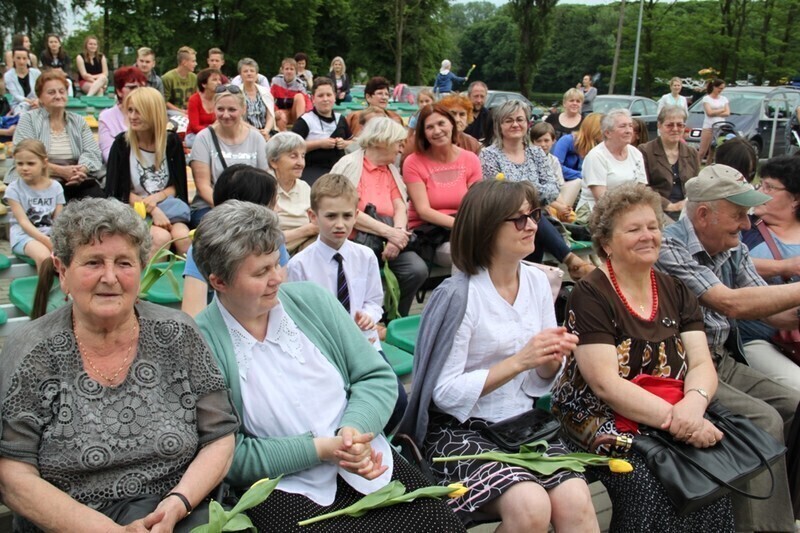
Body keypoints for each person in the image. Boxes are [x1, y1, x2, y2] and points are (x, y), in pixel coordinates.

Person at [192, 200, 464, 532]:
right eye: (260, 272)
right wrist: (320, 450)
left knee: (442, 527)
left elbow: (375, 376)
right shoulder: (201, 342)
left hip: (366, 461)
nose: (277, 278)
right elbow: (228, 454)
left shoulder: (311, 301)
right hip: (282, 485)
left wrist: (353, 432)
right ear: (218, 282)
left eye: (277, 263)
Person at [0, 198, 239, 532]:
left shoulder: (178, 333)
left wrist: (178, 503)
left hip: (176, 514)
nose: (110, 277)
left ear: (141, 269)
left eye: (124, 263)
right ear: (62, 270)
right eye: (93, 262)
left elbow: (220, 436)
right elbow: (13, 474)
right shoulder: (31, 350)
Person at [398, 179, 599, 530]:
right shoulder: (458, 295)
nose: (533, 225)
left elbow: (538, 380)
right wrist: (520, 361)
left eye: (534, 214)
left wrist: (552, 358)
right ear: (487, 228)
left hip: (520, 425)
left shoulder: (538, 281)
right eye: (519, 219)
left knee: (575, 499)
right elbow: (442, 394)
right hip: (458, 430)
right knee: (530, 504)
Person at [552, 183, 735, 531]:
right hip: (596, 415)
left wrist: (694, 406)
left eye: (653, 227)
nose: (647, 236)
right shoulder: (591, 294)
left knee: (710, 476)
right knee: (648, 481)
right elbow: (605, 385)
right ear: (606, 243)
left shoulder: (674, 288)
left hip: (674, 408)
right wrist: (682, 422)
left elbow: (700, 363)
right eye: (633, 229)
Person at [655, 164, 800, 532]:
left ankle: (786, 510)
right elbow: (731, 303)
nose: (747, 225)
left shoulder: (728, 244)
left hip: (720, 358)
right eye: (738, 215)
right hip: (682, 368)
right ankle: (763, 528)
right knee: (763, 420)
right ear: (703, 214)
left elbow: (773, 310)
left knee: (793, 404)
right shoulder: (669, 245)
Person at [287, 174, 409, 431]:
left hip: (364, 342)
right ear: (313, 217)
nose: (339, 224)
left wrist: (368, 315)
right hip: (324, 349)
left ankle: (381, 445)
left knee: (397, 400)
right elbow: (296, 317)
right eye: (330, 216)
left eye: (346, 216)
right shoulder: (300, 264)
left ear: (356, 215)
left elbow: (374, 301)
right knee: (339, 403)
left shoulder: (364, 256)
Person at [481, 100, 594, 278]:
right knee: (531, 218)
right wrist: (532, 192)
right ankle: (570, 261)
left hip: (539, 217)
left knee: (533, 220)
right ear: (499, 125)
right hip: (505, 219)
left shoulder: (536, 153)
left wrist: (522, 188)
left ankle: (532, 284)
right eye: (508, 120)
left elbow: (553, 189)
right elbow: (499, 193)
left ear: (527, 123)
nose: (515, 124)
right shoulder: (489, 155)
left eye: (520, 119)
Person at [331, 117, 428, 317]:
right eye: (397, 143)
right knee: (357, 270)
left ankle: (392, 317)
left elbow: (400, 205)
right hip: (354, 241)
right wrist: (389, 232)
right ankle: (355, 319)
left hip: (388, 239)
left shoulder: (390, 170)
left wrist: (399, 234)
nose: (401, 150)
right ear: (380, 141)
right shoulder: (349, 166)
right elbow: (344, 211)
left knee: (417, 269)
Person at [181, 165, 290, 317]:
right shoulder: (206, 247)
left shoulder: (274, 241)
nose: (279, 209)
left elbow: (282, 299)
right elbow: (192, 314)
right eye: (272, 204)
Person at [106, 87, 191, 258]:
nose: (132, 116)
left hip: (167, 206)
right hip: (132, 209)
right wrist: (152, 209)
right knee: (160, 238)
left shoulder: (172, 142)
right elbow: (115, 191)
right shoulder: (122, 144)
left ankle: (188, 284)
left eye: (139, 111)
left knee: (183, 237)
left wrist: (156, 200)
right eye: (130, 110)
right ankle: (150, 284)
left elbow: (178, 186)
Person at [739, 156, 800, 391]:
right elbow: (727, 262)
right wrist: (784, 267)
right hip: (758, 336)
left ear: (795, 198)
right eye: (761, 184)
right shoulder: (746, 226)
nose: (760, 191)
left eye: (769, 187)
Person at [402, 104, 482, 268]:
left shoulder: (470, 159)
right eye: (429, 127)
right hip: (432, 234)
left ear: (452, 124)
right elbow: (423, 211)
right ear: (423, 133)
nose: (437, 131)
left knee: (497, 249)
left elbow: (477, 203)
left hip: (466, 230)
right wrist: (462, 225)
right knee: (466, 255)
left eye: (441, 123)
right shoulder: (413, 162)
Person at [5, 71, 105, 201]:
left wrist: (82, 170)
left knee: (98, 202)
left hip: (75, 179)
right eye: (51, 92)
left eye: (61, 91)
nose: (58, 96)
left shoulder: (79, 121)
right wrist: (61, 171)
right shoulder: (28, 119)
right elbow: (25, 154)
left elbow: (92, 152)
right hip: (38, 180)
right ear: (40, 97)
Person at [188, 84, 268, 227]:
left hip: (250, 208)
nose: (225, 115)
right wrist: (232, 213)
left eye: (232, 109)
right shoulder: (204, 138)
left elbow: (264, 180)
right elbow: (203, 186)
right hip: (211, 206)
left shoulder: (256, 138)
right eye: (220, 109)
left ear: (243, 110)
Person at [576, 109, 647, 222]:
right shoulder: (596, 156)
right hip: (596, 212)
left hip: (628, 210)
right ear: (608, 133)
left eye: (630, 126)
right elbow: (602, 199)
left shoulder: (636, 153)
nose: (629, 130)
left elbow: (641, 190)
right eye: (623, 126)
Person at [4, 139, 64, 271]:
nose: (24, 168)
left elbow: (59, 220)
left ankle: (65, 290)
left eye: (30, 163)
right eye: (20, 164)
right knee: (45, 258)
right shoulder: (14, 189)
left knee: (71, 256)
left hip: (50, 235)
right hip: (24, 237)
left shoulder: (56, 187)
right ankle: (43, 291)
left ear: (44, 163)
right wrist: (46, 241)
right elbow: (23, 223)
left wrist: (55, 240)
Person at [638, 105, 698, 221]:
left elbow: (696, 185)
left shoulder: (691, 153)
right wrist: (669, 206)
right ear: (659, 126)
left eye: (680, 125)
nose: (675, 129)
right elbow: (643, 187)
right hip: (656, 210)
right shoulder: (645, 151)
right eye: (670, 125)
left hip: (686, 210)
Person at [291, 77, 351, 185]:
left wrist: (345, 143)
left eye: (329, 95)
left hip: (340, 169)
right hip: (312, 169)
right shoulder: (305, 120)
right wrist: (319, 144)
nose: (325, 99)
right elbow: (291, 146)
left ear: (334, 97)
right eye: (320, 96)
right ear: (313, 99)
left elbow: (352, 141)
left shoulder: (341, 119)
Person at [267, 132, 318, 252]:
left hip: (304, 251)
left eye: (303, 156)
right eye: (293, 156)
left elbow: (317, 225)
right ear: (274, 162)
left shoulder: (304, 187)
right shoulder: (264, 188)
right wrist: (307, 230)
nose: (301, 163)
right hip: (273, 256)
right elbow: (262, 238)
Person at [98, 66, 147, 161]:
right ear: (119, 91)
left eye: (142, 88)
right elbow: (109, 156)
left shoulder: (151, 115)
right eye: (132, 88)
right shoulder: (106, 118)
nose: (138, 92)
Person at [531, 122, 576, 222]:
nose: (543, 145)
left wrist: (563, 207)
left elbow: (557, 189)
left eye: (546, 140)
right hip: (537, 203)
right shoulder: (529, 160)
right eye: (539, 141)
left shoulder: (554, 160)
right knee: (551, 216)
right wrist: (558, 207)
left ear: (553, 141)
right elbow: (535, 192)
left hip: (553, 199)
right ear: (533, 142)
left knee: (570, 216)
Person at [552, 112, 603, 186]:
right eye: (602, 129)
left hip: (588, 184)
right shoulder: (567, 140)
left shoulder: (600, 146)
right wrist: (582, 175)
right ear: (594, 130)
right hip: (565, 183)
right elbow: (556, 167)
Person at [237, 58, 275, 141]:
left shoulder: (265, 92)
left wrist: (266, 131)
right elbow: (237, 119)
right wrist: (256, 132)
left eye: (252, 71)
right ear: (240, 75)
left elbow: (271, 115)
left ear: (257, 74)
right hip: (244, 133)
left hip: (266, 133)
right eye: (245, 71)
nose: (249, 73)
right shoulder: (236, 93)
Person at [270, 57, 311, 131]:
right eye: (287, 69)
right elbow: (269, 98)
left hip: (295, 112)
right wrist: (275, 110)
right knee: (280, 116)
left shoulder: (300, 84)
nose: (289, 71)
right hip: (282, 111)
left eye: (291, 69)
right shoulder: (276, 81)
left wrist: (309, 115)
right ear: (282, 70)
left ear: (296, 71)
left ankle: (300, 126)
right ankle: (284, 136)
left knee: (299, 97)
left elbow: (308, 101)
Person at [186, 67, 223, 146]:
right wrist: (213, 129)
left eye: (219, 80)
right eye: (214, 80)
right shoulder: (194, 100)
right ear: (203, 84)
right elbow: (195, 127)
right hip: (194, 135)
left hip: (217, 134)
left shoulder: (221, 99)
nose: (219, 82)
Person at [697, 78, 730, 164]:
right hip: (709, 126)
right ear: (714, 87)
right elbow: (709, 113)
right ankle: (695, 168)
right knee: (702, 151)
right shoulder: (706, 99)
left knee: (713, 151)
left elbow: (727, 112)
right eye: (720, 88)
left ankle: (709, 167)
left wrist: (717, 112)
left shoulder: (724, 99)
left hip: (720, 126)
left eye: (722, 88)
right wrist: (721, 110)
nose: (721, 90)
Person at [3, 47, 41, 114]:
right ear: (13, 58)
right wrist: (30, 102)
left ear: (28, 59)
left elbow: (42, 90)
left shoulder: (36, 73)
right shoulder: (8, 75)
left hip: (37, 103)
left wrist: (37, 100)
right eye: (18, 58)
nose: (21, 61)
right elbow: (15, 95)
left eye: (24, 58)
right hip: (18, 105)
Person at [162, 46, 198, 115]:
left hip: (188, 110)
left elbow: (196, 97)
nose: (196, 64)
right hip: (172, 111)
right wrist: (181, 111)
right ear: (184, 62)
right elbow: (164, 101)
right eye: (193, 61)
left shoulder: (194, 77)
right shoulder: (168, 78)